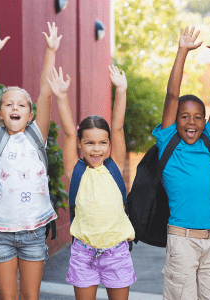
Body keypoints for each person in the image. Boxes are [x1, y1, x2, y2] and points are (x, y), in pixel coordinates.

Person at [0, 22, 59, 300]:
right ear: (0, 114)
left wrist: (50, 51)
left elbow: (45, 94)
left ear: (30, 114)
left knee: (30, 297)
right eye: (8, 104)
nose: (15, 107)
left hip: (34, 231)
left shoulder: (37, 136)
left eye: (22, 105)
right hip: (0, 231)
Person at [152, 26, 210, 300]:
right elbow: (172, 95)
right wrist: (182, 51)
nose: (192, 122)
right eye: (184, 117)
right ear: (175, 121)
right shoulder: (168, 142)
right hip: (181, 239)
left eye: (198, 117)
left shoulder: (207, 142)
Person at [48, 64, 135, 300]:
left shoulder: (114, 166)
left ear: (108, 144)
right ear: (80, 144)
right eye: (89, 143)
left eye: (102, 143)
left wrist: (122, 89)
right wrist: (62, 96)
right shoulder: (75, 171)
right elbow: (68, 132)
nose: (96, 149)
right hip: (83, 254)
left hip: (117, 253)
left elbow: (116, 126)